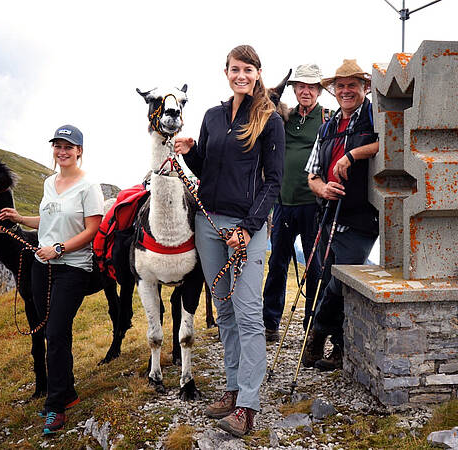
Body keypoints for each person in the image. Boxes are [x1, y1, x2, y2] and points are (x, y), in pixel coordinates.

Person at [174, 44, 284, 438]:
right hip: (209, 224)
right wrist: (190, 154)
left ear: (257, 73)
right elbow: (209, 171)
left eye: (248, 69)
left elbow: (273, 182)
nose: (241, 75)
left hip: (246, 229)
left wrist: (250, 227)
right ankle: (233, 387)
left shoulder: (270, 121)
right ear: (226, 72)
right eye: (235, 69)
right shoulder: (212, 116)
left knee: (250, 314)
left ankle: (248, 407)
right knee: (226, 312)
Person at [0, 125, 104, 435]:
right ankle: (66, 393)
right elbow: (47, 219)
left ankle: (55, 407)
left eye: (68, 146)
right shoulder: (49, 183)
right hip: (41, 267)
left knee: (56, 333)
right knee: (49, 332)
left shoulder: (89, 187)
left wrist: (59, 248)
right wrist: (20, 219)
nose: (62, 151)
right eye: (58, 146)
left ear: (79, 151)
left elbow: (91, 231)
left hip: (72, 267)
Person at [303, 60, 380, 372]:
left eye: (353, 85)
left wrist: (352, 155)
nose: (346, 91)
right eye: (341, 86)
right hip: (328, 213)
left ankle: (317, 334)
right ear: (333, 91)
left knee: (338, 279)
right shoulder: (327, 126)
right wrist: (322, 189)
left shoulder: (375, 115)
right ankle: (338, 349)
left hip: (361, 215)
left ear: (364, 88)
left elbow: (389, 143)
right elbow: (311, 174)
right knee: (327, 281)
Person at [261, 64, 329, 342]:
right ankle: (270, 323)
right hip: (283, 203)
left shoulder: (327, 118)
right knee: (277, 263)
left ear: (319, 90)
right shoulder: (283, 116)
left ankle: (312, 326)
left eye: (312, 87)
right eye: (301, 86)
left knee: (315, 268)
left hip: (313, 204)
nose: (306, 91)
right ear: (294, 89)